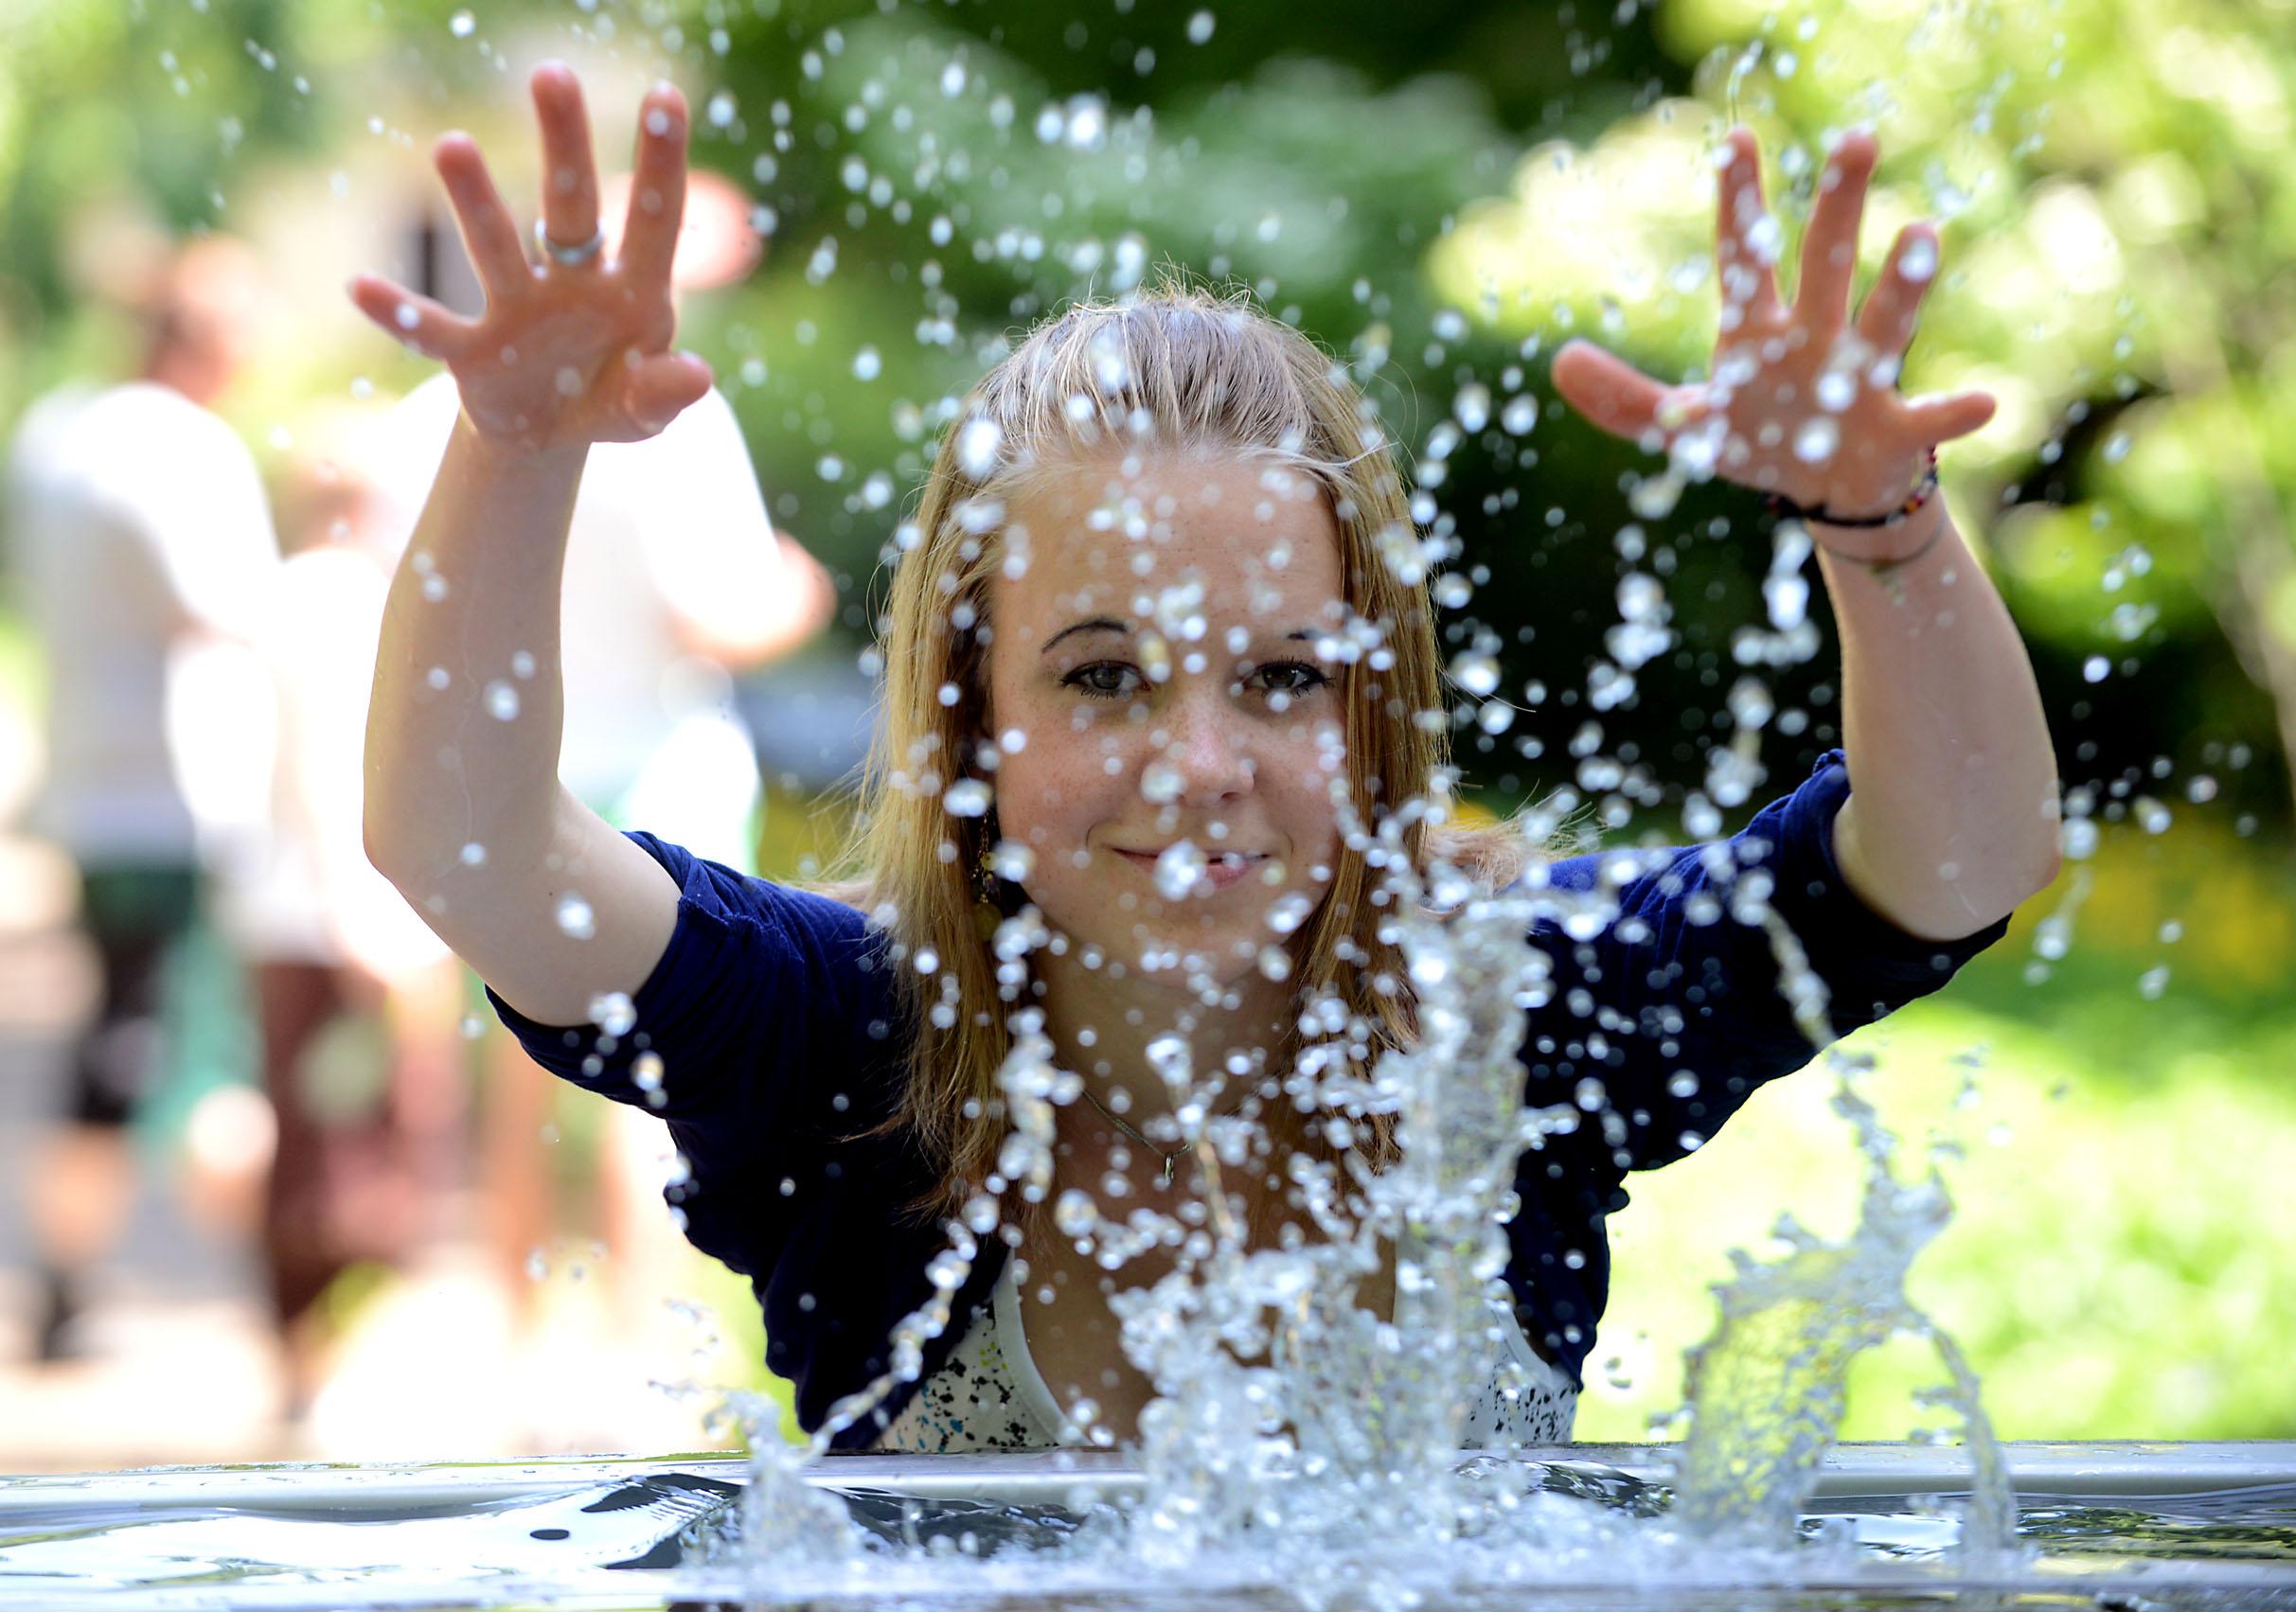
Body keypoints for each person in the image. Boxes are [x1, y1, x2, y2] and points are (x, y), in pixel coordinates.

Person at [349, 66, 2060, 1453]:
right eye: (1103, 676)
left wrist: (1885, 529)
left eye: (1284, 676)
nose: (1200, 760)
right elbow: (468, 848)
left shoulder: (1513, 1012)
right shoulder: (844, 1040)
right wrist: (518, 452)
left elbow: (1954, 859)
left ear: (1373, 706)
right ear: (972, 711)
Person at [7, 235, 281, 1361]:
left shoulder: (61, 435)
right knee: (198, 1048)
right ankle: (284, 1306)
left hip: (92, 784)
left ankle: (67, 1279)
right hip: (181, 798)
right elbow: (229, 609)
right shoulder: (183, 449)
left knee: (114, 1039)